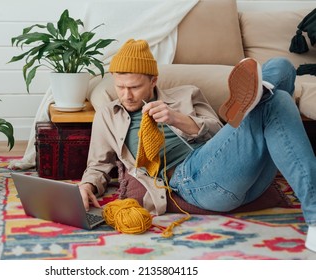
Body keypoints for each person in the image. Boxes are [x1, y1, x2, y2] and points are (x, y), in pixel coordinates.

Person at [78, 39, 316, 252]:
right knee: (279, 99)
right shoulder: (109, 114)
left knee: (282, 66)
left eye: (134, 87)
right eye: (120, 87)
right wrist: (87, 186)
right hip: (192, 181)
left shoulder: (186, 94)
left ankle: (257, 98)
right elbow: (98, 165)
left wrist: (177, 119)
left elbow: (219, 134)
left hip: (238, 171)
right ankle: (258, 99)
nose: (126, 95)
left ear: (153, 81)